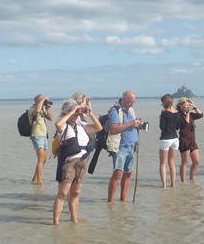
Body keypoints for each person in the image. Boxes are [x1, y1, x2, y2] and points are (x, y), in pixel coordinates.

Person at [53, 97, 103, 225]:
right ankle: (55, 223)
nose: (75, 116)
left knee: (75, 193)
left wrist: (89, 113)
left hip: (82, 161)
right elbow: (57, 124)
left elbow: (98, 128)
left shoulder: (81, 125)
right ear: (66, 113)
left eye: (77, 114)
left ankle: (74, 219)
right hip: (69, 162)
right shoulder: (63, 126)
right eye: (73, 114)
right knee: (63, 194)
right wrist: (72, 111)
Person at [107, 90, 145, 203]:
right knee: (118, 173)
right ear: (124, 99)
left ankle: (123, 200)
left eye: (133, 102)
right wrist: (131, 124)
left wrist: (139, 126)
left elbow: (131, 126)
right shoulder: (115, 111)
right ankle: (110, 201)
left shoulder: (131, 110)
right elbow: (114, 129)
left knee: (128, 173)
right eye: (130, 102)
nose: (132, 104)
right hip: (120, 146)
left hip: (132, 146)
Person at [177, 97, 204, 182]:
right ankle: (183, 181)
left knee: (196, 162)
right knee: (185, 162)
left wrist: (195, 107)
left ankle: (192, 179)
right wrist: (188, 113)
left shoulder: (191, 114)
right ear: (180, 106)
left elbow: (201, 115)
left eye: (188, 106)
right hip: (184, 140)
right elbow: (186, 123)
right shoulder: (178, 115)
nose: (187, 107)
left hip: (192, 141)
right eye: (185, 106)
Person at [29, 94, 53, 184]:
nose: (45, 102)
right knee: (40, 159)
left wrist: (47, 108)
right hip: (37, 135)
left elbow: (50, 118)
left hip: (44, 136)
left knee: (44, 159)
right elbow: (36, 111)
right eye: (43, 100)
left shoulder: (43, 109)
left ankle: (35, 178)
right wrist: (43, 99)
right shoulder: (32, 109)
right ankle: (39, 180)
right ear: (38, 101)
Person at [158, 94, 180, 188]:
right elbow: (178, 127)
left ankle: (164, 185)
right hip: (175, 138)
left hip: (165, 138)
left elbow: (162, 127)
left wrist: (160, 118)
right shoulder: (177, 113)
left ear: (164, 103)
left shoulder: (164, 113)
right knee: (172, 162)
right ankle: (173, 184)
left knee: (163, 163)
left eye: (162, 102)